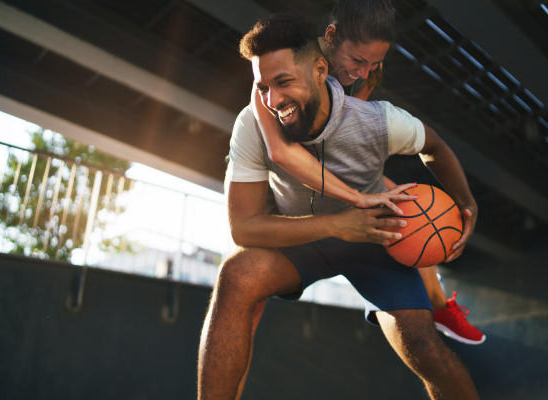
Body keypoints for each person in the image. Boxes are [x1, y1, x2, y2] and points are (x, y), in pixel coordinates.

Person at [198, 13, 480, 400]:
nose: (273, 99)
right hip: (304, 239)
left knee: (425, 349)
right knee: (237, 275)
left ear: (318, 70)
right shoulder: (253, 124)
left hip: (374, 239)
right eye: (263, 86)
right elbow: (244, 228)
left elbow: (435, 146)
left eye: (284, 82)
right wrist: (336, 225)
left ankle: (438, 304)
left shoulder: (379, 120)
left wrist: (466, 202)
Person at [251, 0, 485, 345]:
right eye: (358, 60)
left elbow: (351, 129)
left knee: (412, 208)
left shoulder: (361, 74)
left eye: (375, 63)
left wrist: (467, 202)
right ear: (330, 36)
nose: (364, 71)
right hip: (282, 181)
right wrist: (359, 196)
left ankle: (437, 304)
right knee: (245, 282)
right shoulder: (284, 65)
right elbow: (280, 151)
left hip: (331, 167)